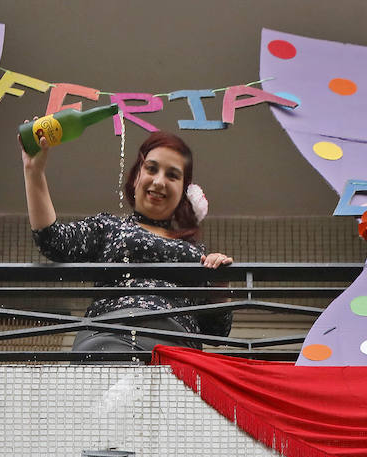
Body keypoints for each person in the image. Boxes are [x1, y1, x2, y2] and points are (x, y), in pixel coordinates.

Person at [22, 129, 235, 355]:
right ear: (136, 177)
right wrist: (34, 172)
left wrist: (220, 286)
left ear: (184, 191)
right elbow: (52, 240)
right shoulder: (108, 226)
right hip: (109, 340)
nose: (159, 181)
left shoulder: (197, 252)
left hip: (179, 352)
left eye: (172, 175)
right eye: (151, 169)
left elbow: (216, 332)